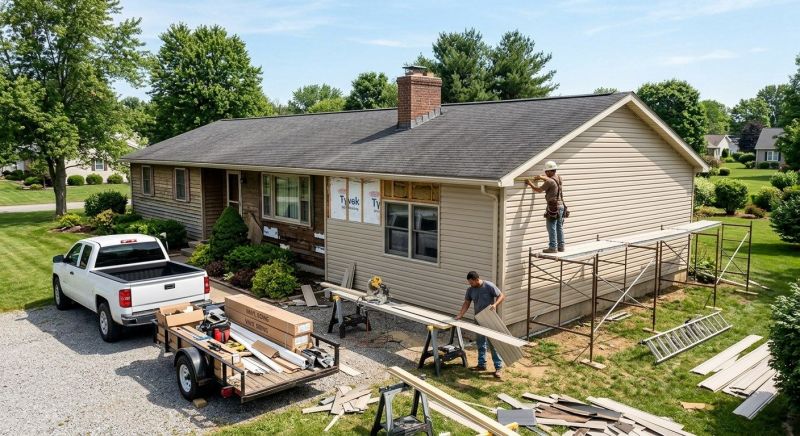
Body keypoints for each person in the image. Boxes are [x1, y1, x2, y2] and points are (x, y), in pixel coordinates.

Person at [455, 271, 506, 378]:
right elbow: (467, 303)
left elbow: (501, 295)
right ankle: (481, 364)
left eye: (471, 283)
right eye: (469, 283)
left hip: (490, 319)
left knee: (493, 344)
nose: (470, 285)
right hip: (478, 319)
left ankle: (498, 368)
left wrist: (495, 304)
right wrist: (460, 314)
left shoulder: (489, 286)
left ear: (477, 280)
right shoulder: (470, 290)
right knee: (480, 342)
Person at [526, 160, 566, 253]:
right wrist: (541, 177)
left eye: (546, 172)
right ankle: (561, 246)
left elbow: (539, 190)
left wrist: (529, 183)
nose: (545, 173)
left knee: (551, 226)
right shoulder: (559, 178)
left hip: (553, 208)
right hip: (561, 206)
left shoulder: (549, 181)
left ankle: (553, 247)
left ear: (550, 171)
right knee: (559, 227)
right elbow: (552, 180)